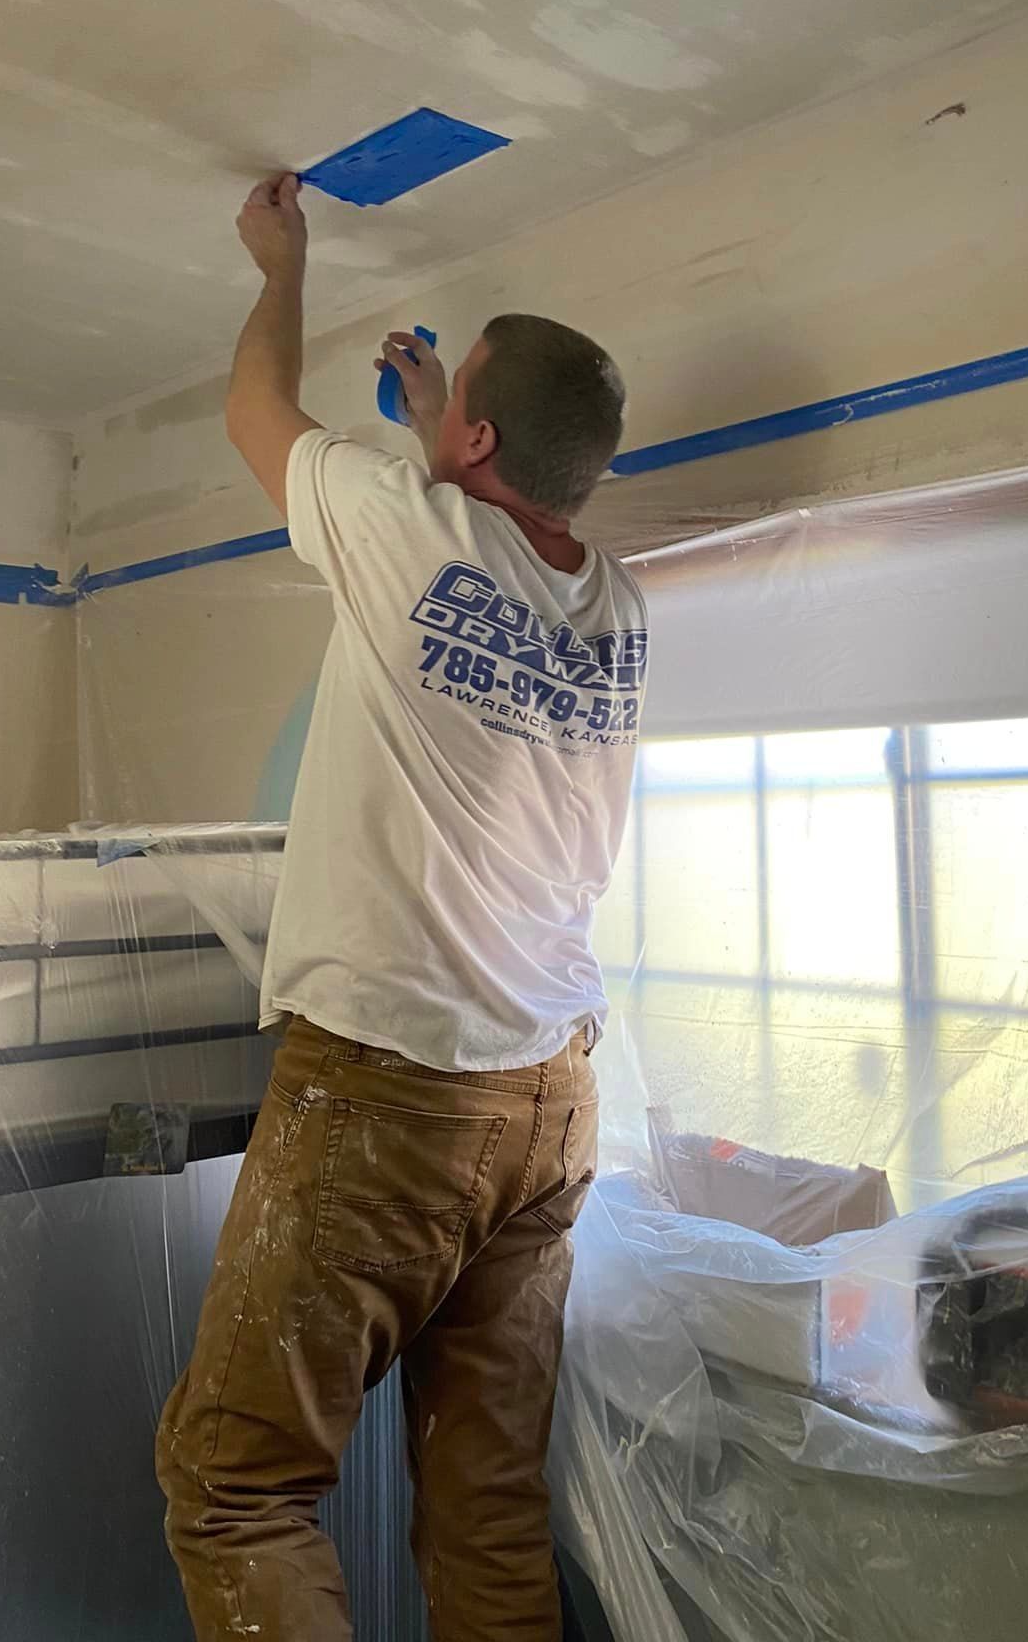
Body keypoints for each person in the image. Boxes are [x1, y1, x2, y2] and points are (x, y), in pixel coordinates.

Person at [156, 172, 648, 1641]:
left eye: (457, 419)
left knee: (237, 1488)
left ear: (474, 442)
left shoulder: (397, 521)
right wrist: (442, 418)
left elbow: (254, 411)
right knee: (486, 1500)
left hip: (390, 1092)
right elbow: (487, 546)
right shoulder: (615, 601)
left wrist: (281, 267)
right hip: (550, 1097)